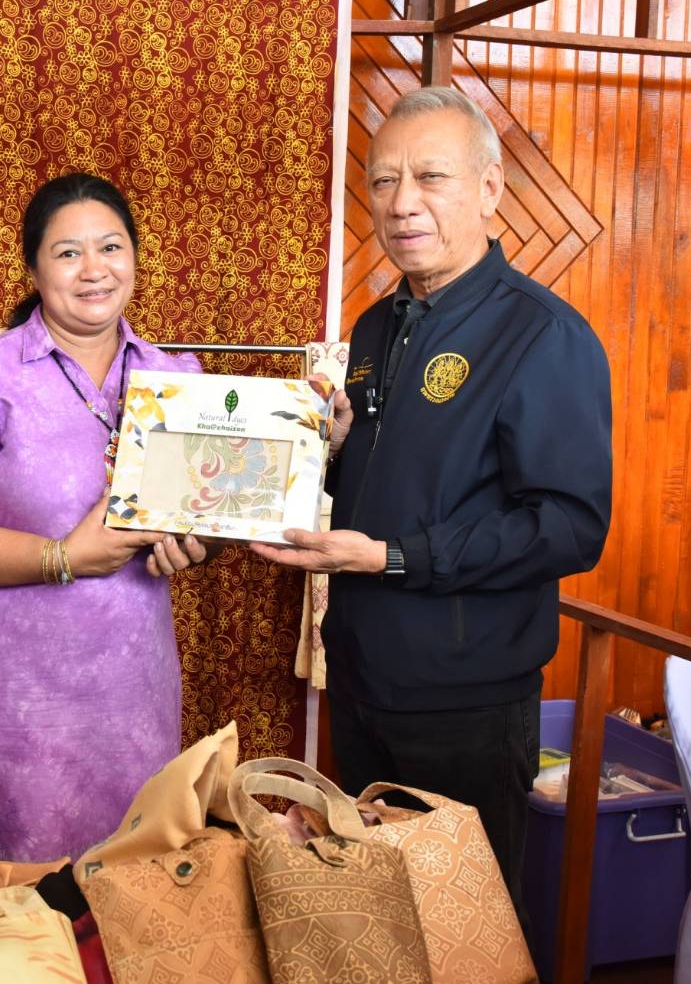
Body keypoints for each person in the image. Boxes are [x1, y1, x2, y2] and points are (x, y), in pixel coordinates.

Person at [252, 86, 612, 925]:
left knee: (461, 933)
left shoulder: (542, 335)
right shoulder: (376, 327)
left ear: (489, 189)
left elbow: (569, 527)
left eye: (429, 177)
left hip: (465, 700)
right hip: (362, 679)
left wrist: (392, 556)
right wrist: (331, 451)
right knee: (376, 919)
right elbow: (398, 479)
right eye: (383, 181)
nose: (401, 202)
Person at [0, 173, 214, 863]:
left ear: (135, 257)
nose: (94, 269)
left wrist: (195, 543)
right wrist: (62, 557)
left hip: (133, 694)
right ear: (33, 269)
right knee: (18, 901)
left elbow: (199, 514)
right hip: (15, 702)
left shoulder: (176, 378)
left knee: (133, 885)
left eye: (111, 247)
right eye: (68, 253)